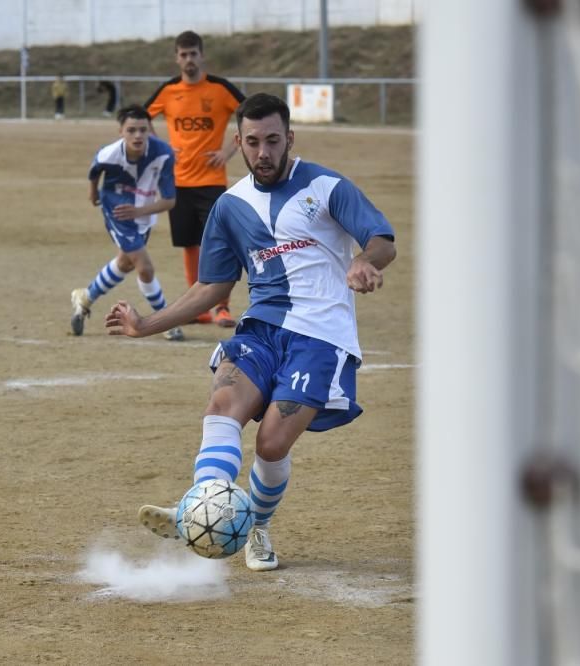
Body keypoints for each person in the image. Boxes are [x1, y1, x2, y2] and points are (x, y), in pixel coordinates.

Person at [105, 93, 397, 571]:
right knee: (222, 406)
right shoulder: (231, 206)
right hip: (260, 330)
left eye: (274, 141)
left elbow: (381, 239)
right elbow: (213, 285)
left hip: (320, 337)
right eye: (254, 142)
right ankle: (199, 506)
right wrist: (146, 325)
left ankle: (255, 526)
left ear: (290, 139)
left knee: (271, 445)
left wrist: (364, 262)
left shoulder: (326, 186)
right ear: (238, 142)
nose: (264, 153)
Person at [144, 30, 246, 327]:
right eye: (183, 54)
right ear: (177, 58)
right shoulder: (168, 90)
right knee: (189, 245)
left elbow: (252, 116)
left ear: (202, 56)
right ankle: (197, 309)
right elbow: (140, 116)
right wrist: (160, 147)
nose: (189, 59)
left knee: (220, 242)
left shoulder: (219, 88)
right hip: (178, 183)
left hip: (212, 181)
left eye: (193, 54)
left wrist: (229, 150)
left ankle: (222, 308)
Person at [70, 105, 184, 341]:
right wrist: (93, 194)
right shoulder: (109, 154)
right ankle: (164, 322)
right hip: (118, 210)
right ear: (121, 131)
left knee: (125, 263)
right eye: (131, 130)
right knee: (144, 266)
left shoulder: (163, 154)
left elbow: (170, 201)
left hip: (142, 210)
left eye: (143, 130)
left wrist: (140, 210)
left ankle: (86, 297)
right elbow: (95, 170)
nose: (138, 136)